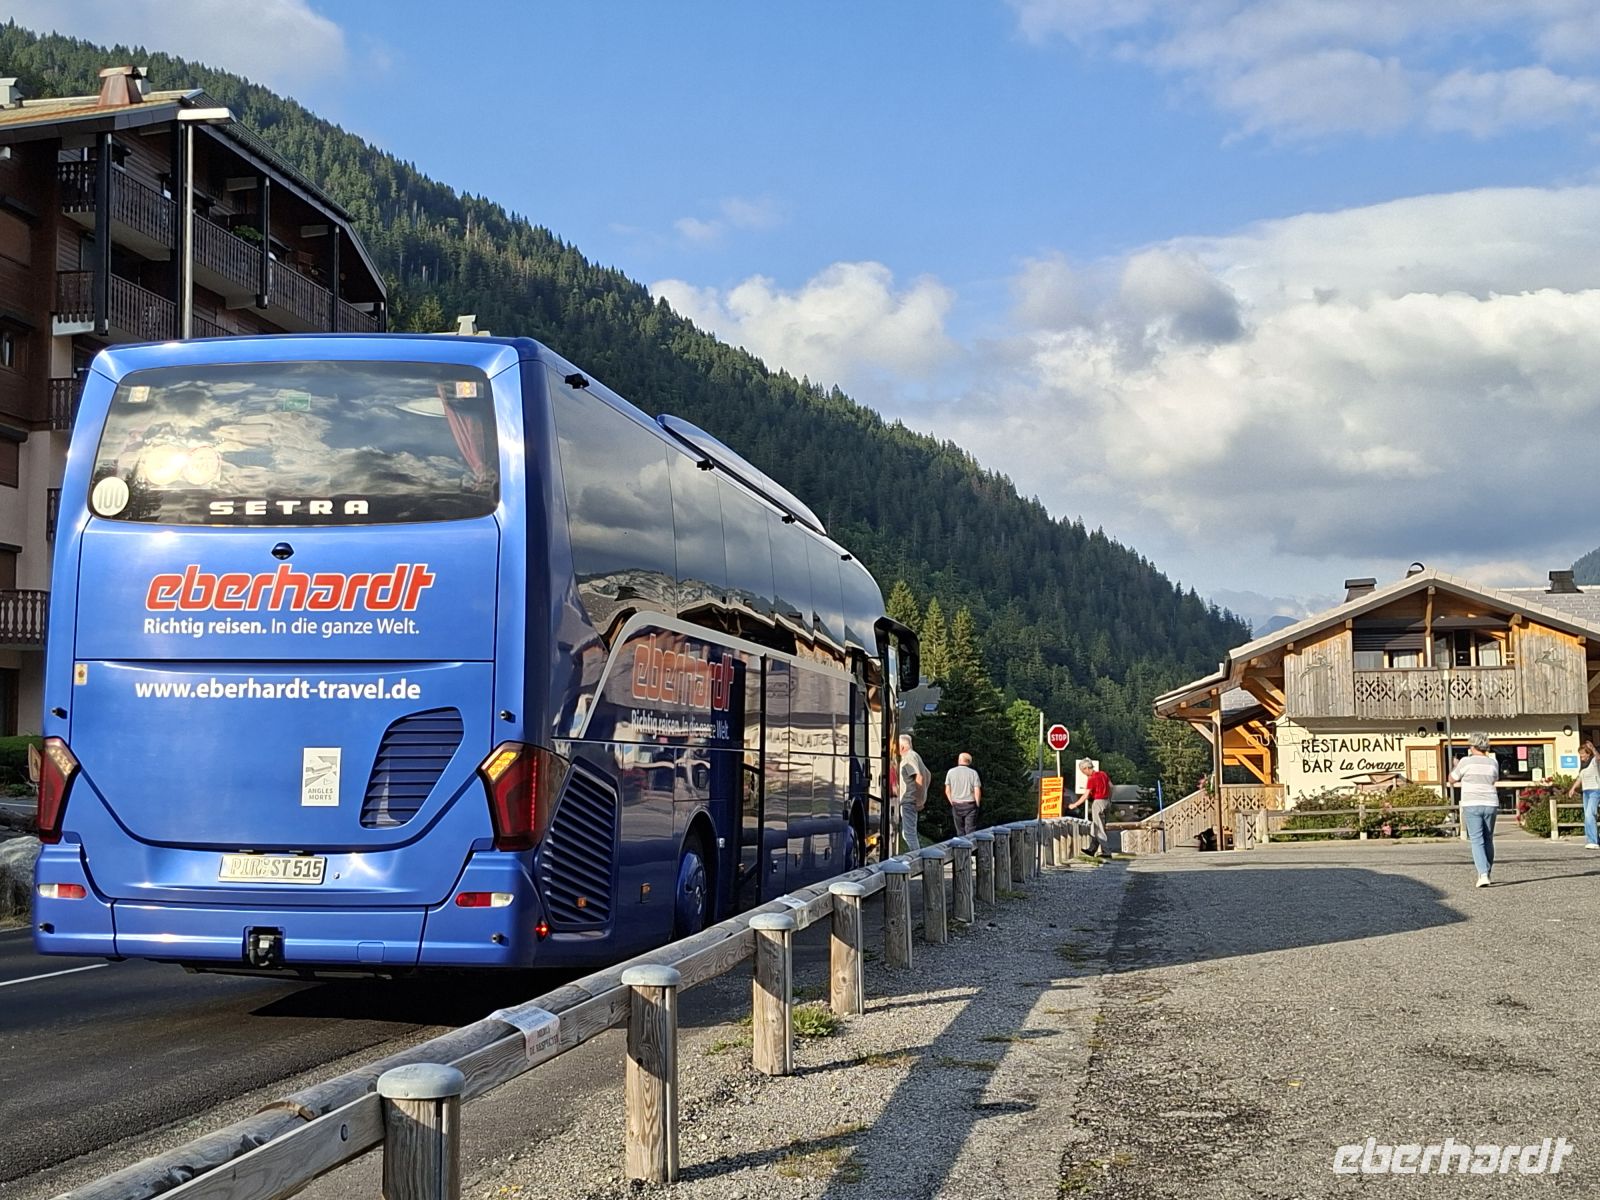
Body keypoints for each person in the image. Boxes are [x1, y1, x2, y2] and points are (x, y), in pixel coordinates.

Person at [1451, 732, 1499, 887]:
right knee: (1488, 838)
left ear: (1473, 746)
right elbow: (1494, 779)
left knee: (1476, 839)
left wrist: (1455, 765)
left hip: (1472, 802)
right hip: (1490, 802)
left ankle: (1483, 874)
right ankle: (1487, 871)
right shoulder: (1493, 762)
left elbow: (1452, 779)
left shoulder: (1465, 761)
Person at [1070, 762, 1113, 858]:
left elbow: (1086, 795)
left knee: (1099, 828)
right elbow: (1111, 786)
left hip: (1098, 802)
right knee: (1096, 826)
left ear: (1086, 768)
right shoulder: (1103, 774)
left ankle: (1106, 852)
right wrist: (1109, 799)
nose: (1083, 773)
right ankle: (1092, 849)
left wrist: (1075, 805)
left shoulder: (1091, 779)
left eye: (1083, 771)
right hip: (1107, 802)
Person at [895, 733, 929, 853]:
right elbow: (927, 774)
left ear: (902, 747)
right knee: (909, 833)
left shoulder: (909, 758)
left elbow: (919, 777)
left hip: (909, 800)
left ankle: (916, 859)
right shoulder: (916, 756)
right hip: (911, 799)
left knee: (908, 834)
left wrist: (919, 800)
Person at [1566, 740, 1600, 849]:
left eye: (1583, 755)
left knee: (1591, 813)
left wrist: (1593, 748)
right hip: (1586, 791)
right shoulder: (1583, 767)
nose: (1581, 758)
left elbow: (1598, 758)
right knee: (1587, 816)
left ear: (1588, 754)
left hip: (1595, 790)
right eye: (1580, 755)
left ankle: (1593, 841)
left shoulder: (1594, 762)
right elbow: (1580, 778)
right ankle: (1592, 839)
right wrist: (1572, 788)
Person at [944, 752, 982, 836]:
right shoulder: (973, 773)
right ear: (969, 762)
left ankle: (961, 848)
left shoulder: (950, 772)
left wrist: (952, 802)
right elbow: (977, 790)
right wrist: (977, 804)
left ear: (959, 760)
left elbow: (947, 790)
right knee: (970, 830)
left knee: (960, 831)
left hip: (956, 804)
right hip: (970, 805)